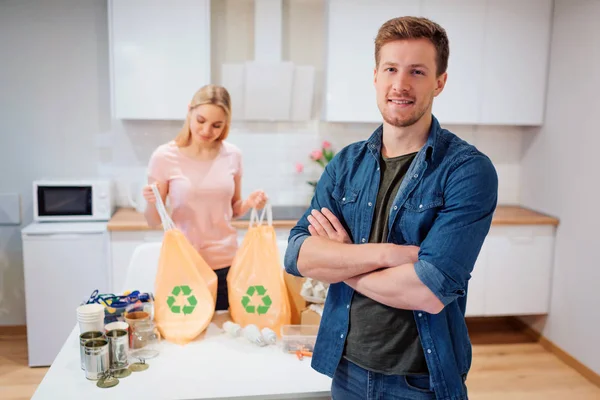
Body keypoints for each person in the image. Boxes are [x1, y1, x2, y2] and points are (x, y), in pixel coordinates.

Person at [284, 16, 498, 400]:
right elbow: (299, 255)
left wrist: (343, 264)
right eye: (391, 69)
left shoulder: (467, 170)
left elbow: (429, 290)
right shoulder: (346, 163)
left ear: (440, 81)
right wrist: (387, 254)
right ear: (376, 76)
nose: (401, 85)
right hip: (346, 368)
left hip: (419, 379)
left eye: (417, 71)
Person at [143, 84, 268, 311]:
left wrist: (249, 203)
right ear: (189, 111)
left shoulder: (232, 155)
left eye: (216, 125)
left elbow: (232, 211)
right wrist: (152, 201)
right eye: (201, 120)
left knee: (224, 336)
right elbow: (153, 221)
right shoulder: (164, 157)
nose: (207, 130)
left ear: (225, 125)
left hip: (226, 264)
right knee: (184, 336)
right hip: (185, 264)